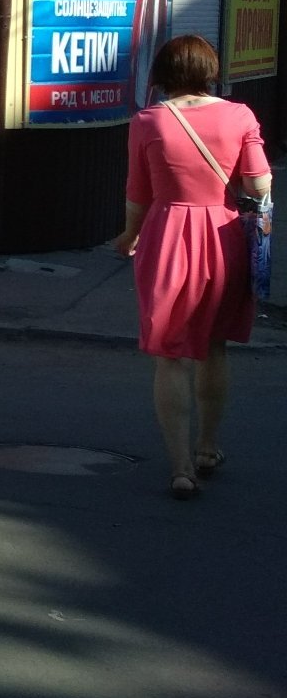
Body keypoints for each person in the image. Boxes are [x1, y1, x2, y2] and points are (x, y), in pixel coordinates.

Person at [112, 34, 271, 498]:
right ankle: (207, 446)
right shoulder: (239, 116)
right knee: (214, 347)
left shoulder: (147, 121)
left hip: (166, 238)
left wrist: (129, 236)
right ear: (210, 70)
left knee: (171, 354)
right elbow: (258, 184)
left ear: (163, 73)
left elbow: (138, 194)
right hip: (224, 237)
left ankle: (181, 468)